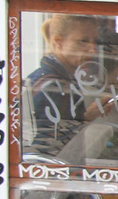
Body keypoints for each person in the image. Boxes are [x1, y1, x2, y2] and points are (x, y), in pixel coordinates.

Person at [26, 15, 110, 157]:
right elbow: (46, 150)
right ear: (59, 42)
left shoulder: (60, 80)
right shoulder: (53, 87)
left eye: (95, 41)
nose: (93, 50)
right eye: (83, 41)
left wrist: (86, 117)